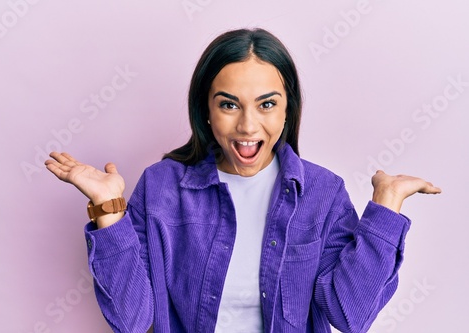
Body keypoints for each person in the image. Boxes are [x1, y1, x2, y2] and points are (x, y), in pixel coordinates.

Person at [45, 28, 441, 333]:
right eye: (229, 104)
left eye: (267, 104)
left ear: (288, 110)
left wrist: (385, 210)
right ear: (206, 111)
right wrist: (108, 209)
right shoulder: (162, 187)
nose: (248, 125)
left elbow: (349, 314)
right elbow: (131, 319)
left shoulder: (323, 193)